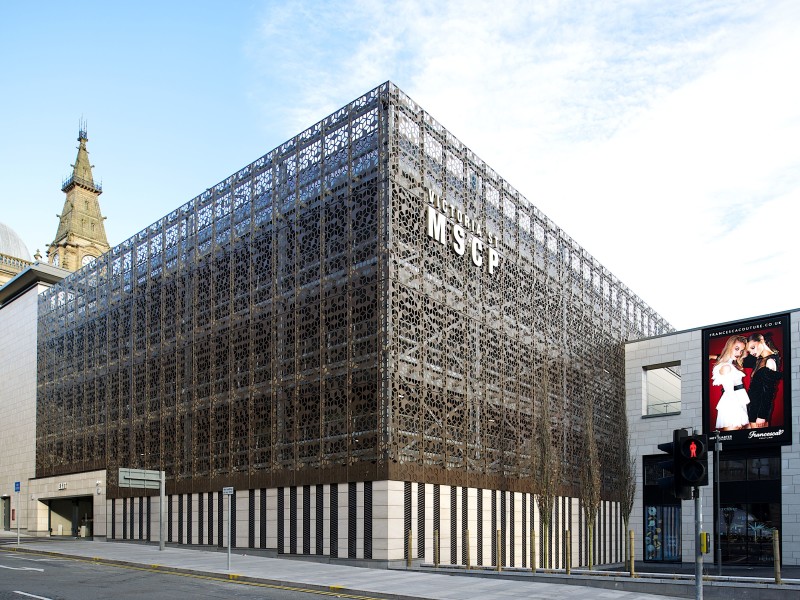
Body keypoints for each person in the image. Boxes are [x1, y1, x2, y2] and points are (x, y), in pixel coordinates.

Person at [711, 335, 750, 430]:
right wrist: (738, 415)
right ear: (729, 347)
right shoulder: (726, 367)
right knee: (733, 441)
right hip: (732, 408)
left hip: (739, 403)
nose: (739, 353)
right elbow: (730, 393)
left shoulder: (731, 364)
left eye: (741, 350)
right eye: (736, 348)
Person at [746, 332, 782, 428]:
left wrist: (762, 415)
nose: (752, 353)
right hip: (753, 406)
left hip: (759, 410)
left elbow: (769, 392)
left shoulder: (770, 361)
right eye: (749, 351)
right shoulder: (759, 359)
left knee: (759, 441)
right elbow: (738, 360)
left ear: (761, 341)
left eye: (753, 347)